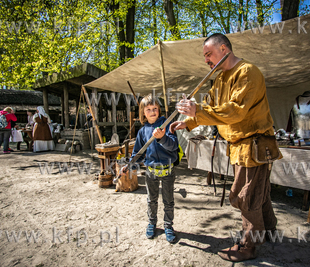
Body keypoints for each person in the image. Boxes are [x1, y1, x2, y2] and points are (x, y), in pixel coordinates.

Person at [170, 33, 279, 262]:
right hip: (240, 146)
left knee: (245, 196)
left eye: (208, 54)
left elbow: (235, 110)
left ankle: (249, 246)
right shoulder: (219, 79)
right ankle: (269, 231)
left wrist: (197, 112)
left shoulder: (248, 72)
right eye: (205, 56)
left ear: (223, 49)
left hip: (255, 144)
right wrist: (189, 120)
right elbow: (209, 107)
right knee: (260, 192)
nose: (206, 60)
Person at [120, 94, 179, 243]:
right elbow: (138, 154)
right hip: (151, 172)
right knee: (151, 200)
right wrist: (130, 165)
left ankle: (168, 225)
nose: (152, 112)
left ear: (159, 110)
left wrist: (162, 138)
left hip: (168, 171)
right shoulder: (142, 132)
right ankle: (152, 223)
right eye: (148, 109)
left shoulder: (167, 125)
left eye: (155, 108)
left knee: (168, 201)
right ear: (143, 113)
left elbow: (173, 146)